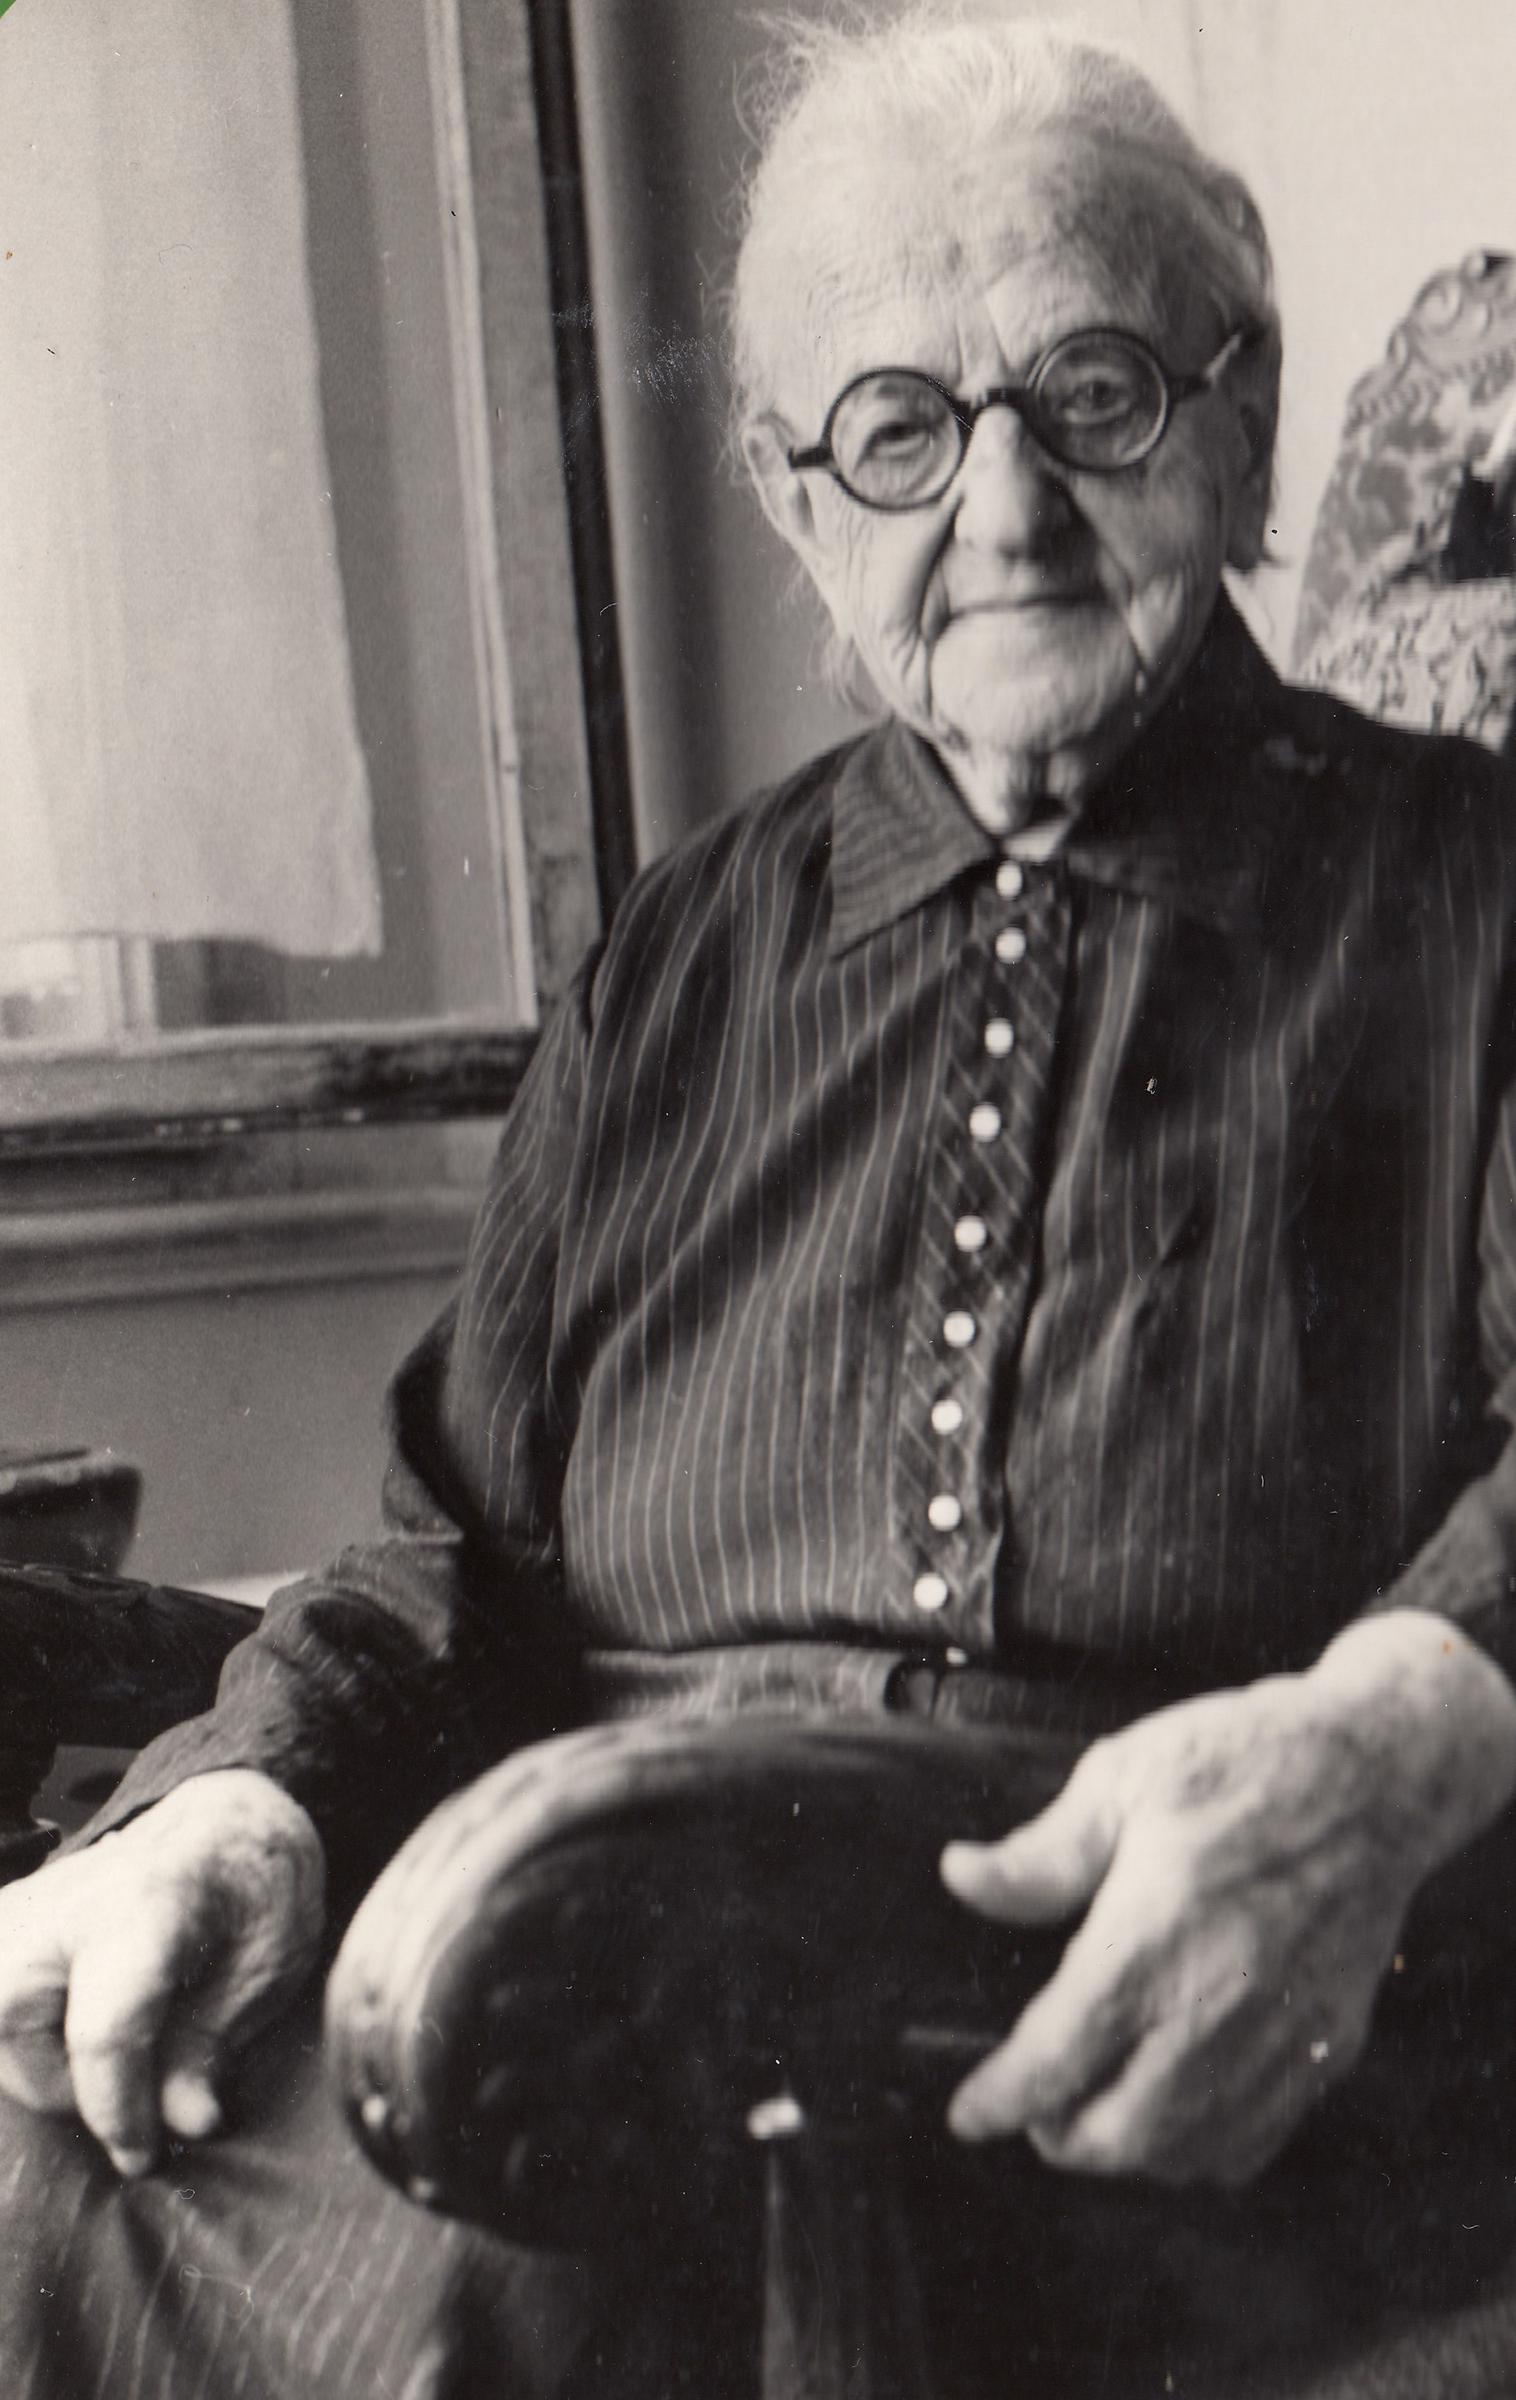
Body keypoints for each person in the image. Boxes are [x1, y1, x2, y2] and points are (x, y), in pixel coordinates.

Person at [5, 12, 1516, 2395]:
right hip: (591, 2002)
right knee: (71, 2142)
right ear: (792, 499)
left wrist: (1401, 1721)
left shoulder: (1470, 890)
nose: (1000, 511)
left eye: (1092, 393)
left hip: (1186, 2028)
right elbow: (451, 1551)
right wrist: (243, 1804)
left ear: (1235, 417)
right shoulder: (682, 956)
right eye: (898, 431)